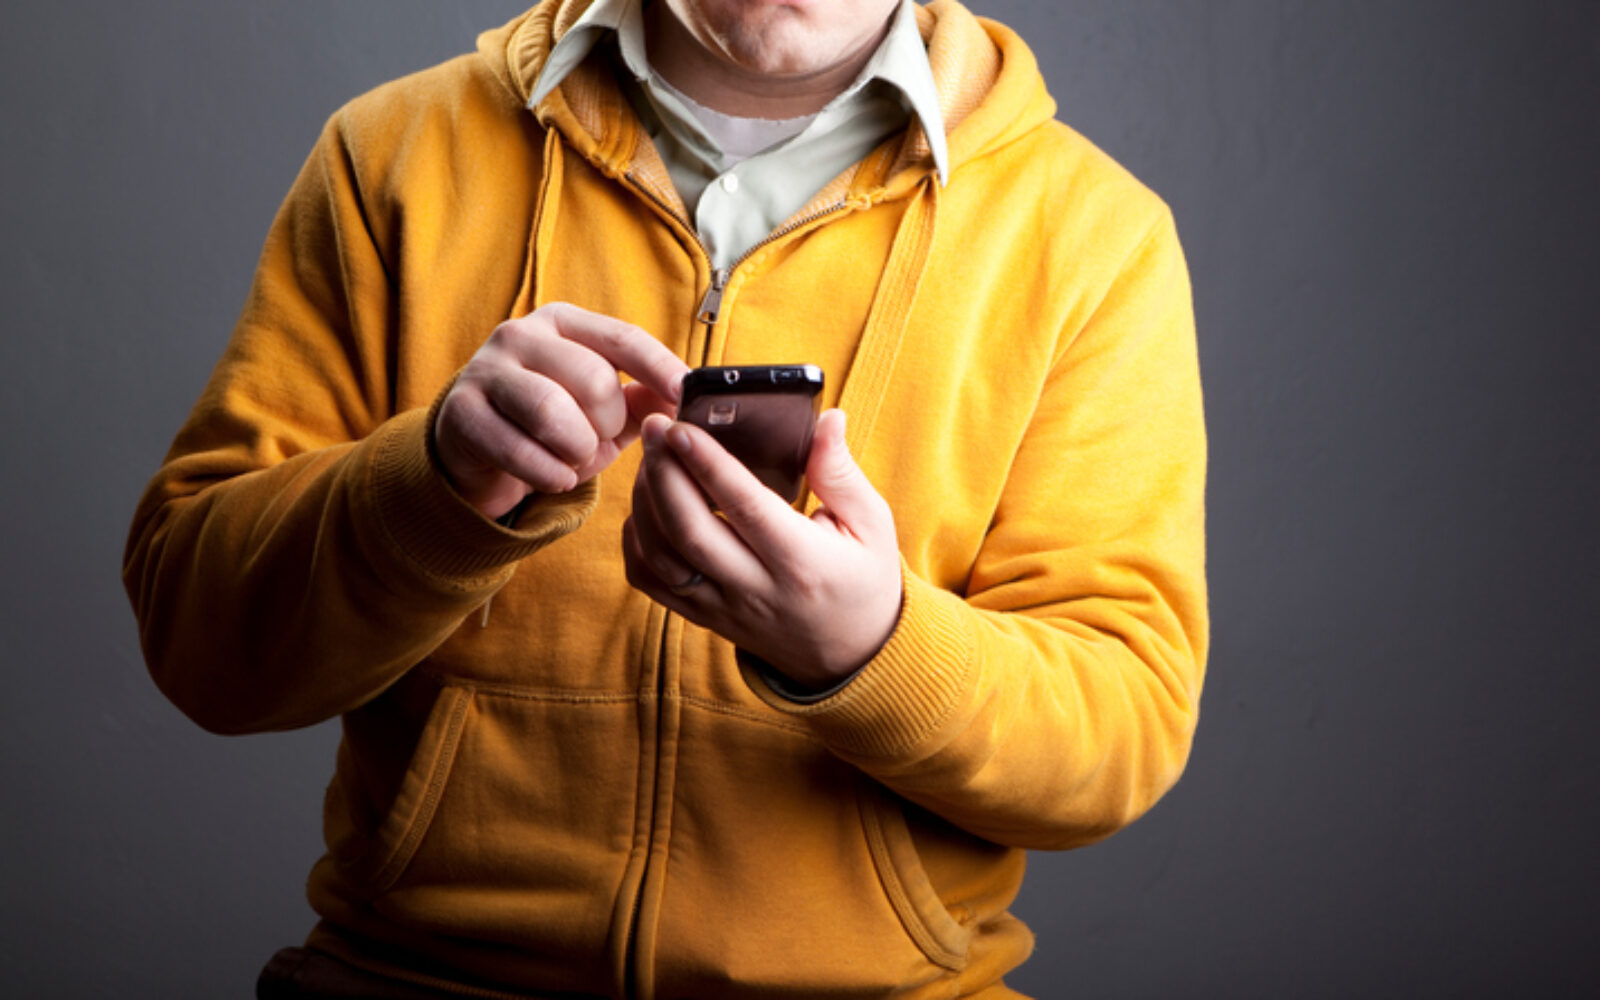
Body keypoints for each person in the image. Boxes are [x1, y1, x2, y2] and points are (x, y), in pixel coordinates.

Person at [123, 0, 1208, 996]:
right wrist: (433, 484)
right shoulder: (391, 156)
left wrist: (872, 648)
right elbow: (203, 647)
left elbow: (1117, 736)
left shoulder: (1093, 238)